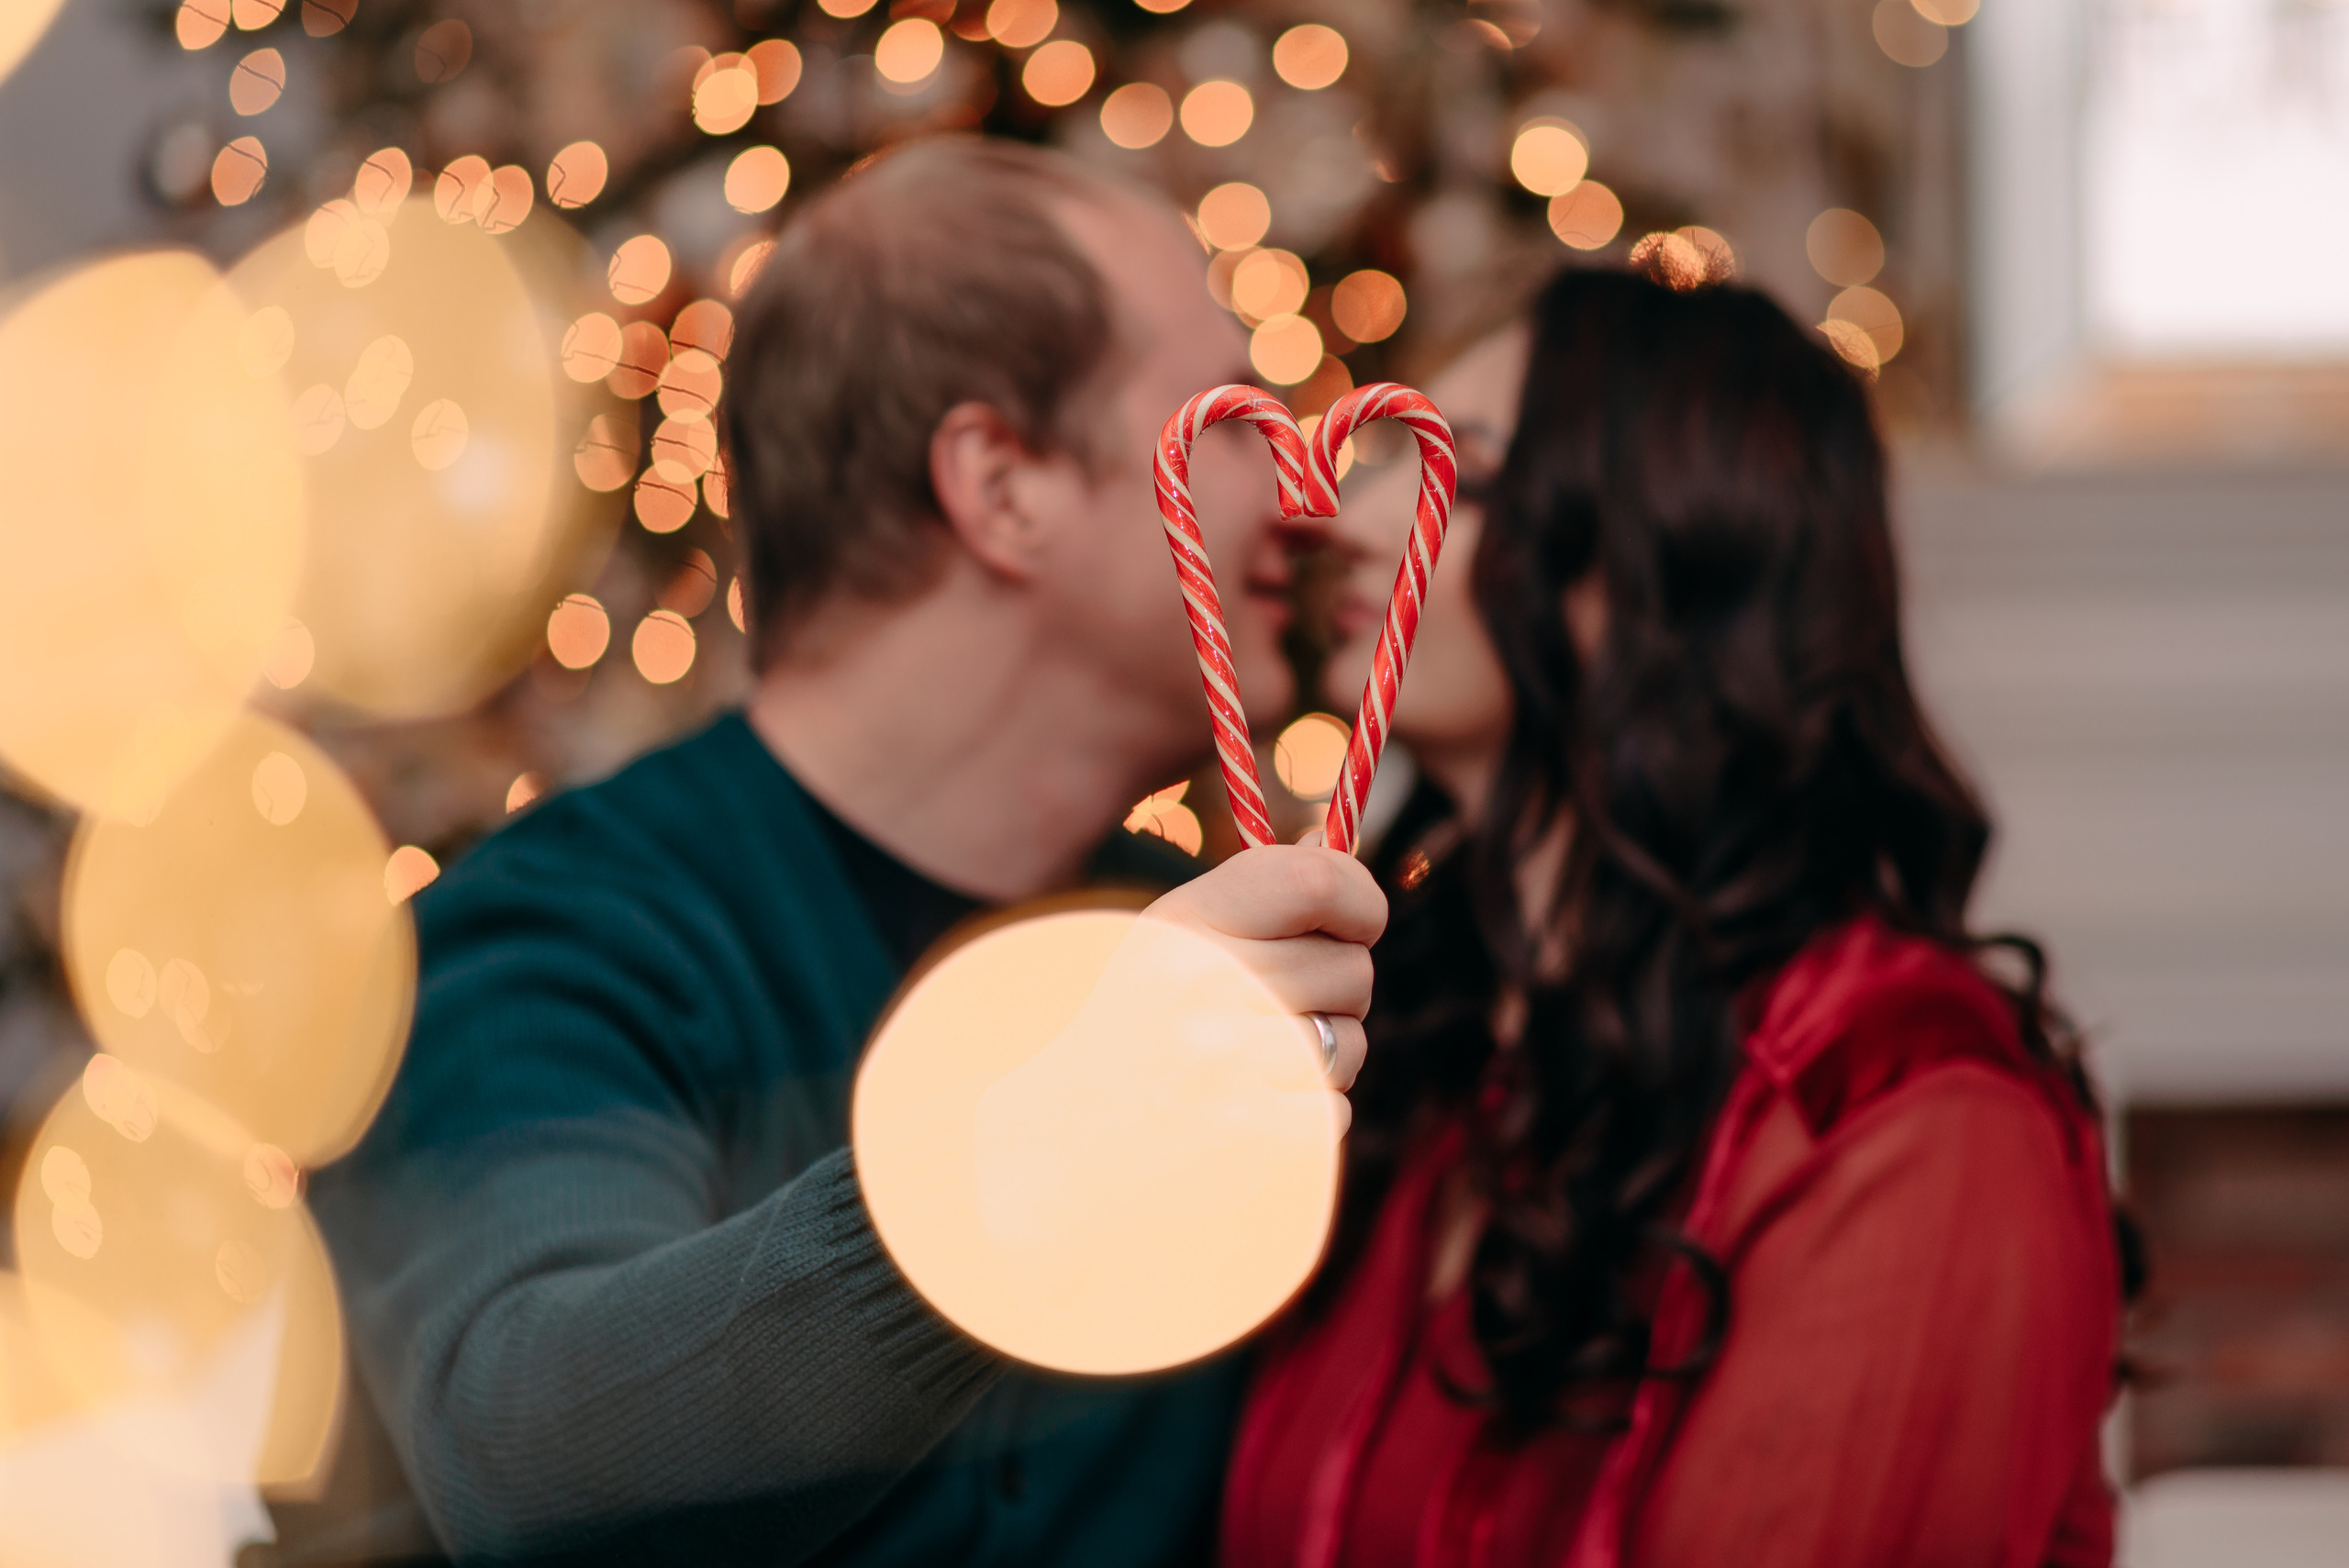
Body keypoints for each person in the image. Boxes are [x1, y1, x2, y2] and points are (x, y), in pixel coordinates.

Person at [306, 137, 1385, 1566]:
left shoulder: (1214, 962)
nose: (1303, 496)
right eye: (1228, 418)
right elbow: (532, 1454)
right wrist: (1027, 1166)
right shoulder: (552, 943)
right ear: (1001, 484)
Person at [1220, 263, 2136, 1567]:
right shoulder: (1436, 1056)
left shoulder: (1903, 1105)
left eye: (1456, 476)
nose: (1359, 526)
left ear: (1653, 561)